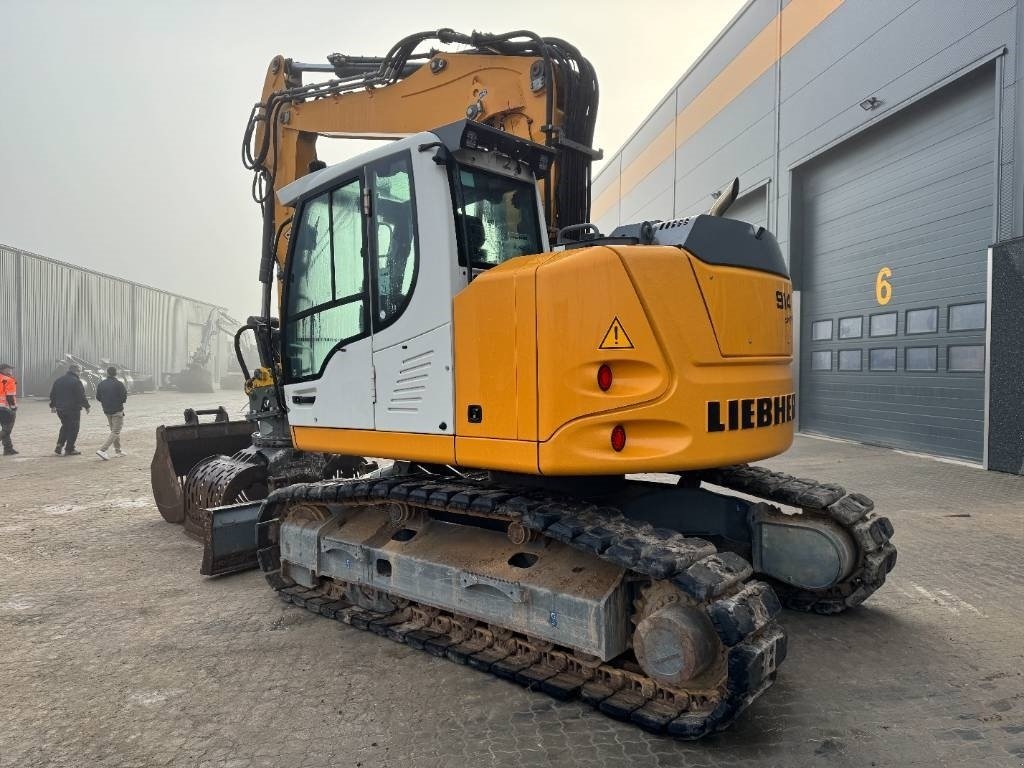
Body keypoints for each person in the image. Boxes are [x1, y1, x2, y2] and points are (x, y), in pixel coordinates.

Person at [49, 364, 90, 456]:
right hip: (72, 409)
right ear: (76, 371)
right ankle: (70, 449)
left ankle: (59, 445)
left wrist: (52, 405)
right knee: (74, 428)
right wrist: (86, 406)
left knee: (65, 426)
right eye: (80, 371)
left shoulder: (58, 380)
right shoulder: (76, 381)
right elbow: (81, 395)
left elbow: (53, 394)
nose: (80, 373)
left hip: (60, 409)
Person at [95, 366, 127, 460]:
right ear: (116, 373)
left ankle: (118, 451)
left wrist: (106, 402)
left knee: (114, 431)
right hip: (117, 410)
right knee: (116, 431)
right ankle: (102, 450)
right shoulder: (119, 384)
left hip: (107, 410)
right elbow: (124, 398)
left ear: (107, 373)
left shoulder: (101, 384)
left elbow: (98, 397)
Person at [0, 363, 17, 455]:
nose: (11, 370)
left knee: (4, 428)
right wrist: (13, 408)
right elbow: (10, 396)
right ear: (4, 370)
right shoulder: (9, 380)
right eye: (9, 369)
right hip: (5, 408)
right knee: (7, 429)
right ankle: (8, 449)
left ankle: (8, 448)